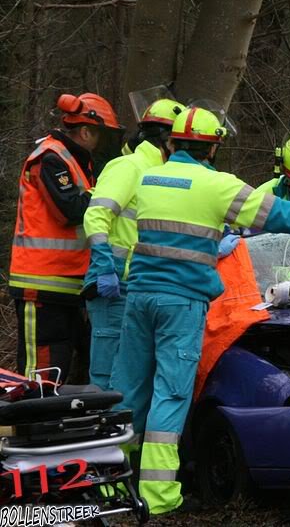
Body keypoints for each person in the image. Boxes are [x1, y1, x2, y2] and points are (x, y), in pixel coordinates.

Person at [109, 106, 290, 515]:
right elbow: (279, 214)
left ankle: (110, 488)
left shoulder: (149, 178)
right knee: (170, 394)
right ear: (212, 149)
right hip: (182, 302)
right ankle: (157, 496)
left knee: (129, 391)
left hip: (139, 296)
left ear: (173, 142)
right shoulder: (217, 185)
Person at [9, 93, 123, 382]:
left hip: (71, 284)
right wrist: (108, 197)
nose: (103, 144)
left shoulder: (76, 161)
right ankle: (33, 426)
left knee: (74, 372)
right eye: (100, 136)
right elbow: (70, 210)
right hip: (42, 284)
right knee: (42, 377)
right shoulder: (51, 157)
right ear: (86, 132)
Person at [83, 98, 185, 390]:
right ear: (167, 141)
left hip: (141, 286)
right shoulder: (129, 167)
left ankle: (124, 434)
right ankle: (103, 434)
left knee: (130, 377)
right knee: (107, 373)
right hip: (114, 282)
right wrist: (104, 264)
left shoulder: (165, 175)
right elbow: (96, 216)